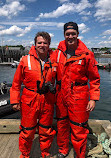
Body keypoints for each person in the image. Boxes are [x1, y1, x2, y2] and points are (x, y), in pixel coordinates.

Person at [55, 22, 100, 158]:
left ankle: (79, 155)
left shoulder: (87, 54)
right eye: (67, 34)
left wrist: (93, 98)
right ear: (64, 35)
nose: (70, 36)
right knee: (62, 124)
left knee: (78, 128)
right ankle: (63, 150)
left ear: (77, 34)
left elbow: (94, 79)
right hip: (61, 95)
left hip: (79, 96)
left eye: (73, 34)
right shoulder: (58, 53)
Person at [10, 32, 57, 158]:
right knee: (27, 131)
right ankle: (25, 154)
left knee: (46, 130)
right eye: (39, 42)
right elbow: (16, 83)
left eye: (45, 43)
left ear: (49, 45)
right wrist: (15, 101)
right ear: (35, 44)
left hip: (47, 101)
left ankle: (45, 153)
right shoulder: (25, 60)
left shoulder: (54, 61)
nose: (42, 45)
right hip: (29, 101)